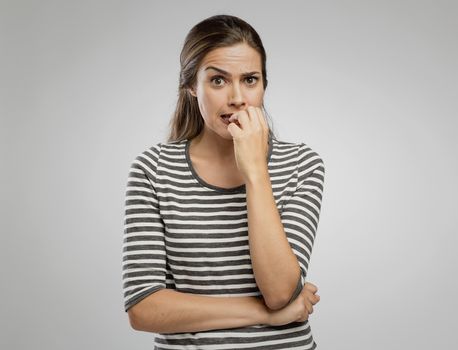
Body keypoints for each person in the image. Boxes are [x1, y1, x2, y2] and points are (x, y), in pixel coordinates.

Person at [121, 14, 325, 349]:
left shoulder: (301, 164)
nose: (237, 98)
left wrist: (256, 172)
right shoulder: (153, 169)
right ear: (191, 86)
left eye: (250, 79)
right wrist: (267, 315)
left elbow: (278, 291)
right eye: (218, 81)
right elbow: (144, 309)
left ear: (264, 84)